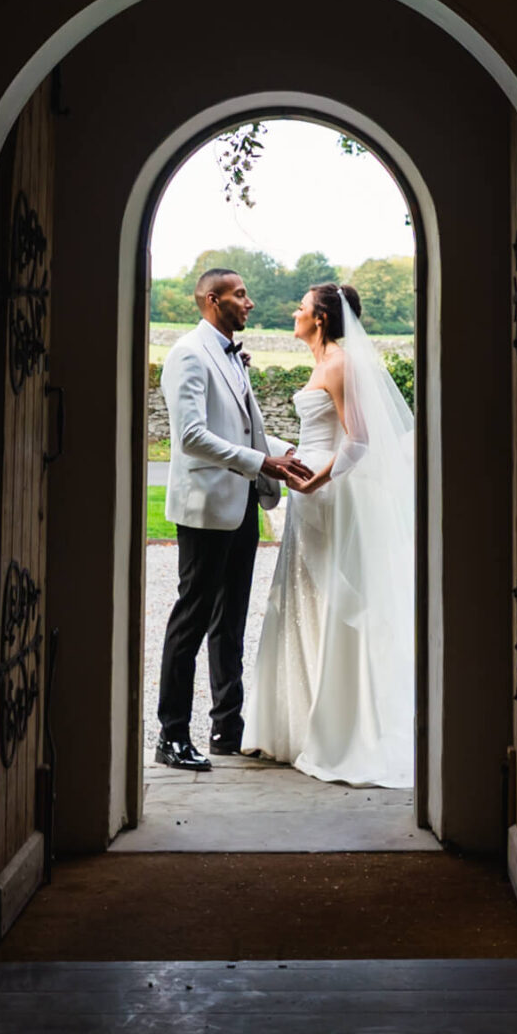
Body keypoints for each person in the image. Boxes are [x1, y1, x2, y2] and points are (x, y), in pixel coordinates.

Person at [243, 283, 415, 788]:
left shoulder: (340, 363)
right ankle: (295, 727)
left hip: (329, 494)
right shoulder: (321, 362)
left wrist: (316, 481)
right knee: (302, 601)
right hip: (308, 491)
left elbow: (358, 440)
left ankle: (339, 730)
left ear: (320, 318)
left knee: (332, 601)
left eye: (301, 307)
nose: (294, 312)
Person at [155, 267, 313, 771]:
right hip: (205, 509)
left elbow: (244, 429)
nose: (249, 302)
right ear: (211, 300)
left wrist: (291, 454)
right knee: (191, 620)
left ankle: (227, 727)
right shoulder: (188, 354)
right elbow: (191, 437)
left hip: (241, 503)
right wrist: (262, 462)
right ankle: (172, 735)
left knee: (231, 622)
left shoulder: (231, 355)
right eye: (239, 295)